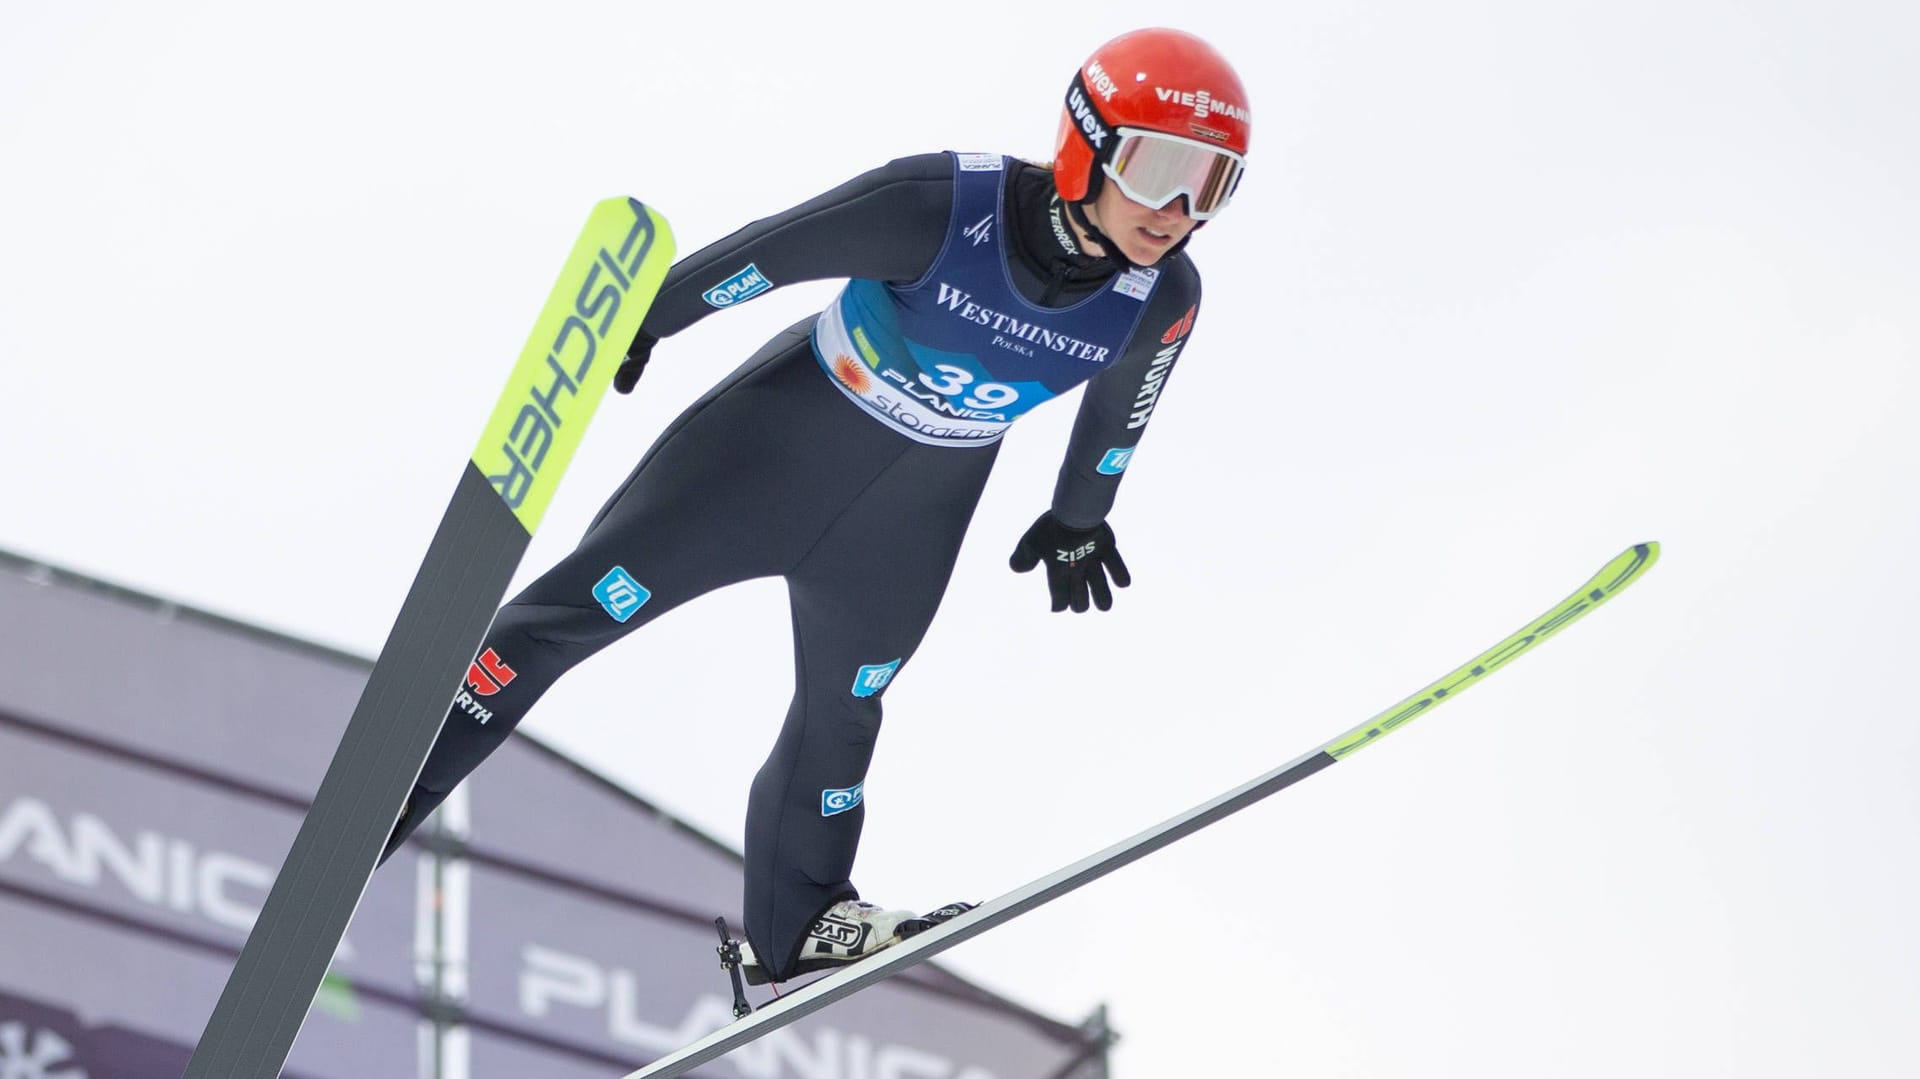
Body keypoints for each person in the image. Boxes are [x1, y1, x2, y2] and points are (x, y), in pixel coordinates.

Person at [383, 26, 1253, 985]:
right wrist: (652, 317)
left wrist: (1081, 514)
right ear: (1087, 141)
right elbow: (774, 254)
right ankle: (388, 793)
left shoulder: (1159, 296)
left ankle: (799, 919)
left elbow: (1122, 413)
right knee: (569, 617)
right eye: (1160, 166)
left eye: (1210, 184)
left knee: (849, 710)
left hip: (911, 520)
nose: (1176, 208)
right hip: (770, 455)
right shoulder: (944, 204)